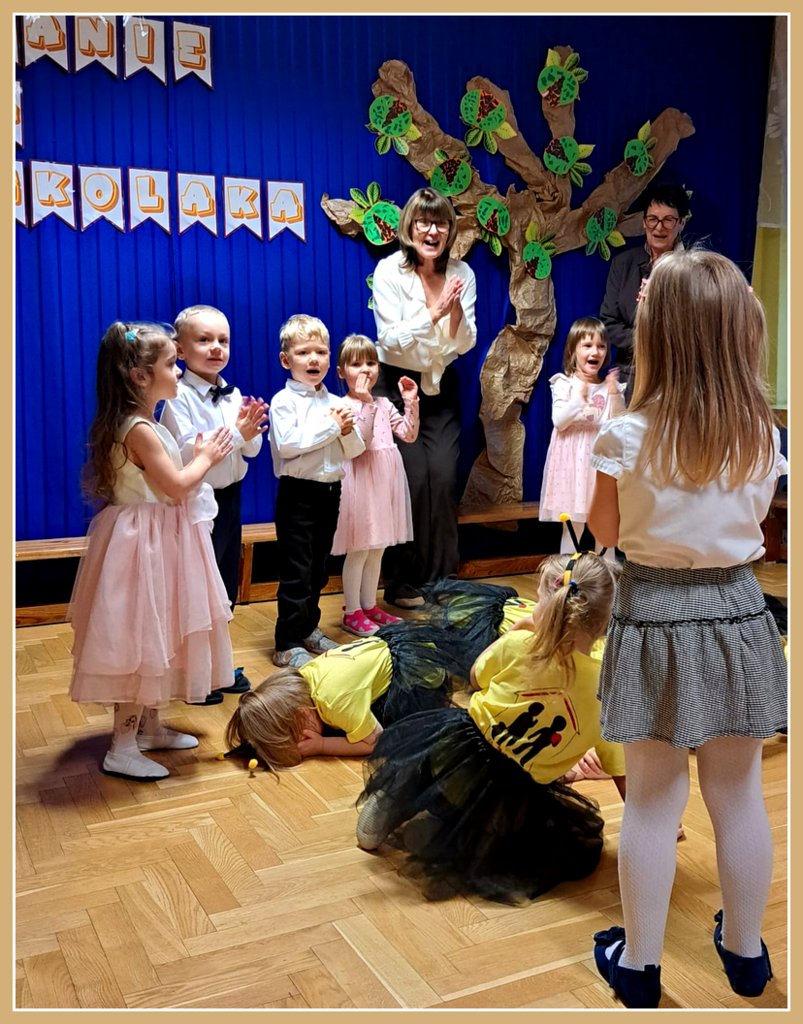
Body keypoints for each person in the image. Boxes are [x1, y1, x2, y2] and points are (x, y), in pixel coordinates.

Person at [587, 249, 787, 1008]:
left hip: (654, 617)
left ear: (657, 336)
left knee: (651, 801)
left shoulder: (625, 435)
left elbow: (605, 534)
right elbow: (756, 525)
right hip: (737, 613)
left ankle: (639, 968)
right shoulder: (761, 436)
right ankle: (745, 954)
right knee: (738, 796)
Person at [355, 552, 626, 905]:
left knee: (425, 761)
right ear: (604, 625)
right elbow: (619, 766)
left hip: (457, 758)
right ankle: (465, 840)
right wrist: (649, 820)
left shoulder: (519, 644)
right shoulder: (608, 692)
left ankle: (398, 801)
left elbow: (475, 679)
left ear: (547, 604)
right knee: (518, 836)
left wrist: (515, 632)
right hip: (516, 796)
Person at [69, 321, 235, 781]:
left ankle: (149, 727)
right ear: (141, 377)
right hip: (142, 546)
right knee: (139, 641)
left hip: (157, 541)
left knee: (158, 635)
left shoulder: (147, 424)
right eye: (171, 364)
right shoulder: (138, 429)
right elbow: (177, 486)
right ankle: (122, 746)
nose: (178, 371)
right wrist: (207, 457)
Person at [372, 187, 477, 608]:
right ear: (410, 227)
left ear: (450, 230)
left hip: (440, 384)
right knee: (413, 479)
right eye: (424, 222)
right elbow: (389, 340)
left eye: (441, 224)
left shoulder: (462, 273)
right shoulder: (389, 271)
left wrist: (455, 312)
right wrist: (433, 314)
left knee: (444, 477)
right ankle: (402, 581)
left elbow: (465, 342)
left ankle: (443, 579)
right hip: (396, 386)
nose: (432, 231)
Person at [160, 304, 269, 702]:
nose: (216, 347)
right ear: (180, 350)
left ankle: (218, 667)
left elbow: (251, 450)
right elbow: (189, 451)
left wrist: (251, 431)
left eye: (223, 340)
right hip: (197, 503)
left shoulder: (233, 393)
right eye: (204, 340)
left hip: (230, 497)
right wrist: (237, 433)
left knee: (224, 586)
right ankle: (196, 675)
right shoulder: (177, 397)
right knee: (199, 591)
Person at [223, 620, 474, 771]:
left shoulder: (336, 703)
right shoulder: (304, 675)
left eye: (295, 737)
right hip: (387, 647)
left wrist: (321, 745)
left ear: (301, 714)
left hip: (416, 674)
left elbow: (374, 742)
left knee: (402, 734)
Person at [269, 314, 365, 668]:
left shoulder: (336, 402)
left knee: (318, 568)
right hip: (298, 494)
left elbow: (354, 450)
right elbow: (289, 445)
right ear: (286, 360)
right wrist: (333, 427)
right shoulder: (283, 401)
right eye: (304, 352)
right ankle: (286, 642)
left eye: (321, 352)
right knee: (297, 569)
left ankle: (308, 628)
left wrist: (346, 430)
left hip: (329, 492)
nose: (314, 359)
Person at [331, 334, 420, 637]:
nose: (365, 370)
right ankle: (352, 611)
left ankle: (369, 605)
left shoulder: (383, 403)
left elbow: (408, 435)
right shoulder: (342, 406)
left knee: (377, 547)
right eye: (356, 364)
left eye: (371, 362)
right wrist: (366, 403)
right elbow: (362, 442)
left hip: (384, 481)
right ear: (341, 372)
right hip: (360, 482)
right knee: (359, 548)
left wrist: (410, 402)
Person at [539, 317, 625, 554]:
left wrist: (614, 394)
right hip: (571, 469)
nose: (595, 352)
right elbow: (559, 421)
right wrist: (579, 398)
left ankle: (608, 573)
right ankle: (569, 573)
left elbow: (620, 425)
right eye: (587, 345)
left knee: (605, 526)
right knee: (573, 527)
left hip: (600, 467)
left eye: (601, 346)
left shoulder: (610, 388)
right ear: (573, 350)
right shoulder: (564, 384)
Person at [599, 182, 690, 397]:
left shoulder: (694, 270)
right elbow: (608, 322)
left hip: (678, 377)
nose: (659, 227)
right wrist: (647, 343)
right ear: (644, 222)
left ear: (681, 223)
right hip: (630, 375)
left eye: (668, 220)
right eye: (653, 219)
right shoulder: (623, 264)